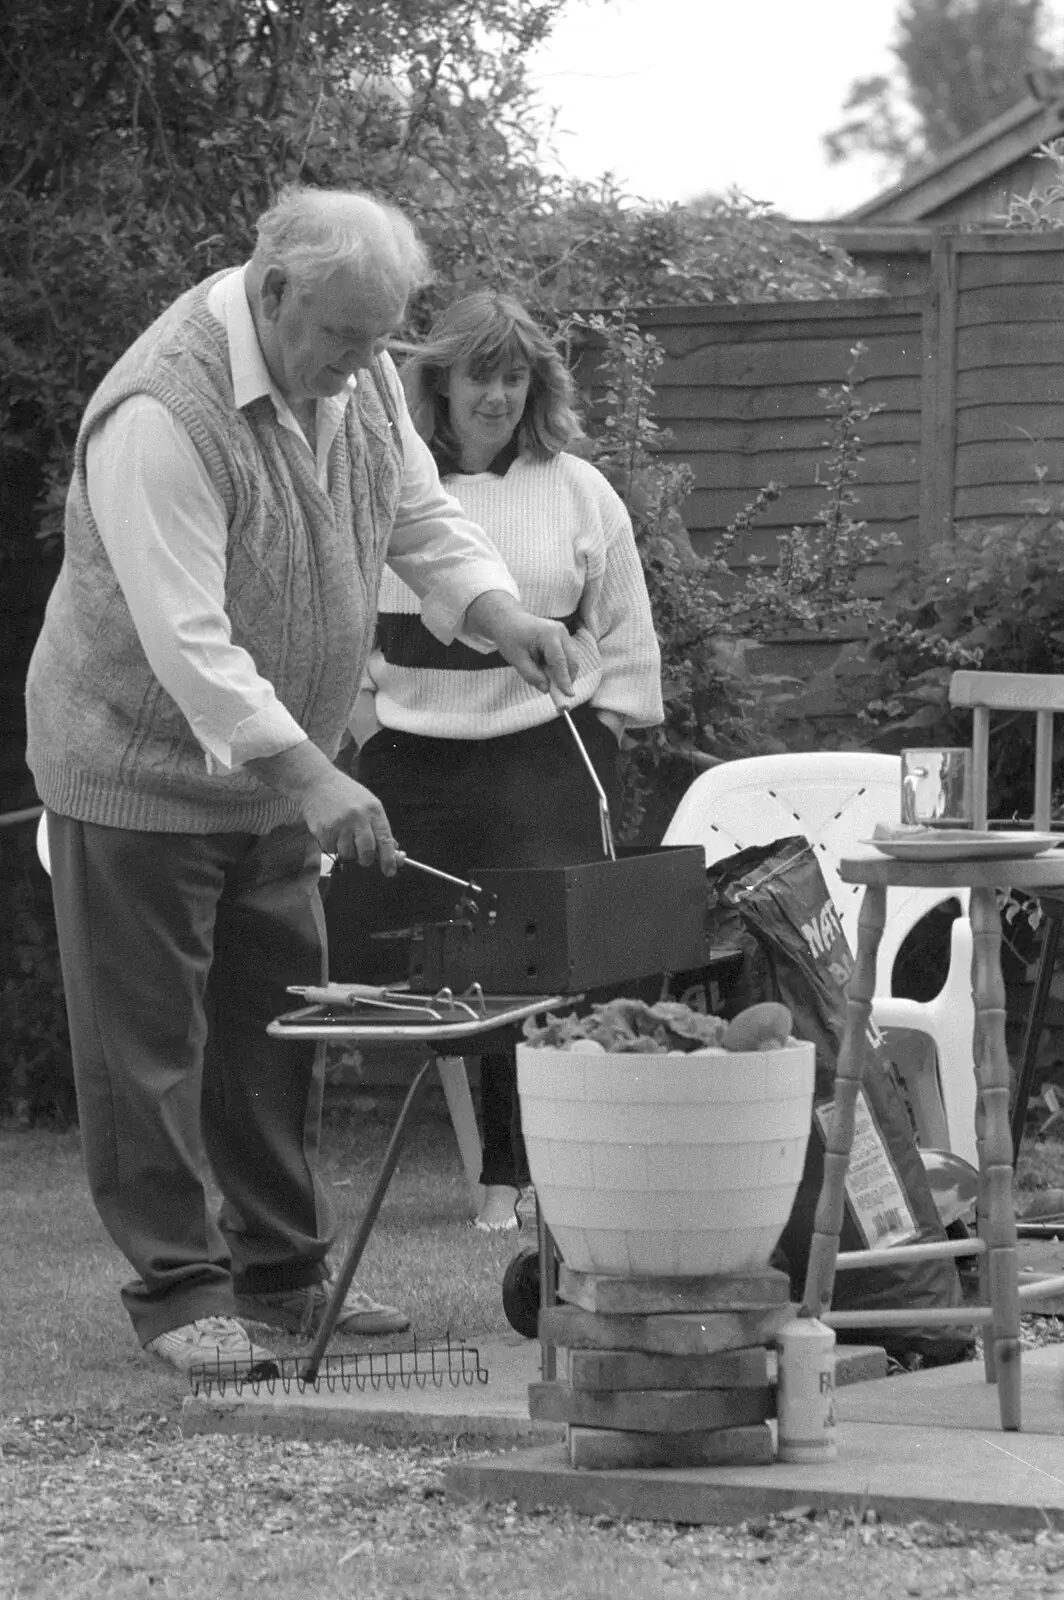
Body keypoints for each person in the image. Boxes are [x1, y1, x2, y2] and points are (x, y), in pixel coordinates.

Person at [24, 190, 582, 1378]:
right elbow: (190, 646)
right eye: (342, 335)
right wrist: (319, 774)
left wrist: (497, 610)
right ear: (272, 290)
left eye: (381, 337)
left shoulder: (358, 374)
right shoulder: (160, 415)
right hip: (136, 768)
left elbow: (417, 515)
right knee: (149, 1048)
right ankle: (180, 1296)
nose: (364, 363)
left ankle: (282, 1277)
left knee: (276, 1030)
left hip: (273, 781)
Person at [324, 290, 664, 1230]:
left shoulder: (578, 488)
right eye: (483, 374)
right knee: (370, 951)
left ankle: (513, 1179)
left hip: (546, 753)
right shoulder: (388, 487)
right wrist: (351, 736)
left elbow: (626, 635)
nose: (499, 395)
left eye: (516, 377)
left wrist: (612, 730)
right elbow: (349, 632)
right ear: (439, 382)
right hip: (416, 761)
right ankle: (273, 1188)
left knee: (544, 969)